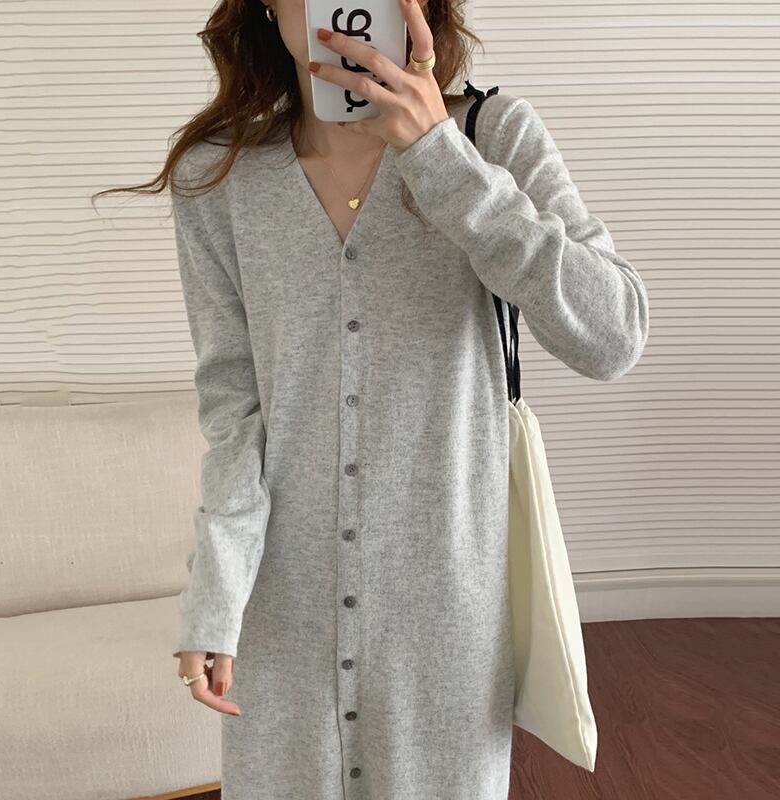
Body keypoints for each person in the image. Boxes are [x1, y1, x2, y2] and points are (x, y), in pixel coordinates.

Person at [157, 0, 649, 797]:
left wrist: (438, 156)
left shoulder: (492, 135)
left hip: (446, 613)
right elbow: (234, 409)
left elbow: (613, 336)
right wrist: (216, 593)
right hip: (282, 612)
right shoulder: (217, 177)